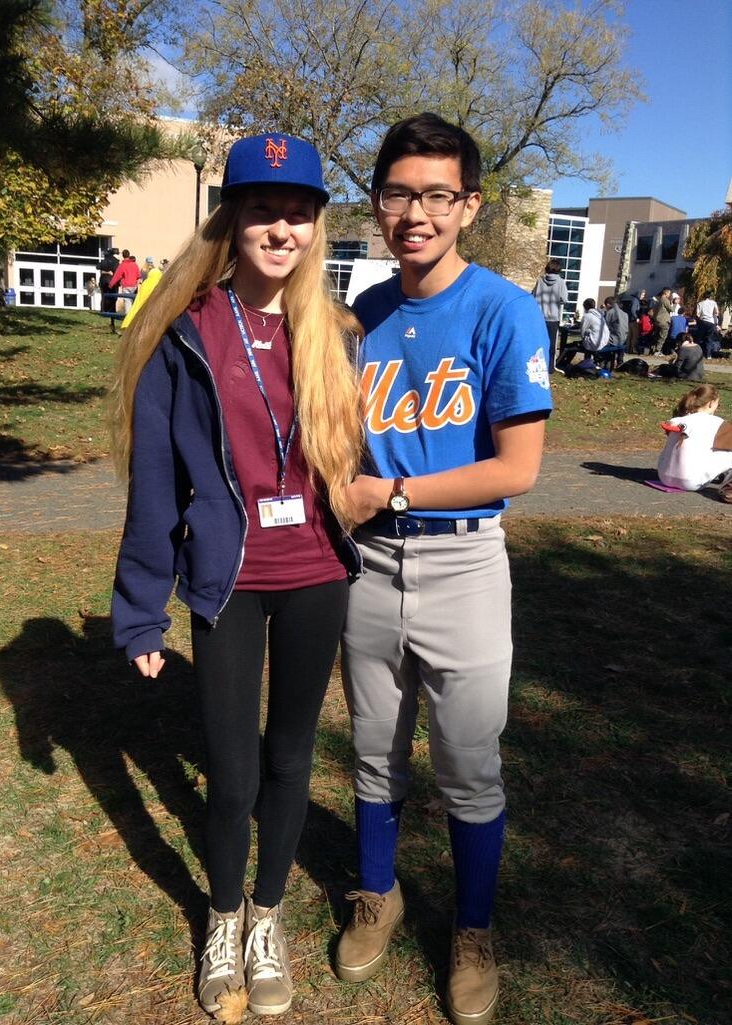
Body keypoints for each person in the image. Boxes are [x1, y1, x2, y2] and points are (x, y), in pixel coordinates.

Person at [110, 132, 364, 1022]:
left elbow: (370, 458)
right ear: (234, 216)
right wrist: (142, 609)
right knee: (231, 768)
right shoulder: (185, 333)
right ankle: (222, 916)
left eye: (299, 211)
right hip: (227, 578)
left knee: (291, 755)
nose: (281, 227)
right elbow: (153, 484)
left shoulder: (340, 334)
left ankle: (267, 916)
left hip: (318, 574)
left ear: (316, 225)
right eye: (264, 208)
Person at [334, 113, 552, 1025]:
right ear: (378, 202)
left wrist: (386, 491)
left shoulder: (504, 308)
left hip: (463, 561)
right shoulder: (364, 313)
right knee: (373, 753)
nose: (414, 213)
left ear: (468, 204)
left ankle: (471, 929)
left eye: (436, 195)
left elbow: (518, 468)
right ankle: (379, 893)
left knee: (470, 765)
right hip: (371, 569)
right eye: (398, 193)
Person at [657, 384, 732, 498]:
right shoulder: (718, 423)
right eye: (718, 404)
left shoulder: (676, 420)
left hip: (664, 477)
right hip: (691, 482)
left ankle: (724, 475)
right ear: (711, 403)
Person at [531, 258, 568, 372]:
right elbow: (564, 299)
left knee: (538, 341)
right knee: (551, 343)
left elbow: (533, 295)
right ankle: (550, 367)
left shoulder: (540, 281)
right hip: (553, 317)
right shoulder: (561, 282)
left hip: (539, 316)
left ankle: (536, 365)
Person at [557, 297, 611, 369]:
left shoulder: (587, 316)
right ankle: (581, 363)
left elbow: (582, 332)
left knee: (570, 347)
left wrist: (583, 331)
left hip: (594, 343)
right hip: (603, 341)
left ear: (585, 307)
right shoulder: (599, 315)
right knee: (576, 344)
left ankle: (562, 364)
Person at [121, 257, 162, 330]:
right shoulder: (156, 271)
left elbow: (141, 279)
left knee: (137, 306)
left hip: (145, 288)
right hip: (153, 289)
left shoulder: (144, 270)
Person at [695, 291, 720, 356]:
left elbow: (698, 314)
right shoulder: (713, 303)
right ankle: (708, 355)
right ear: (710, 296)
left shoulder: (700, 303)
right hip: (711, 323)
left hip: (702, 322)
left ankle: (697, 353)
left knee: (699, 338)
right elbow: (717, 312)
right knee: (709, 339)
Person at [603, 295, 628, 359]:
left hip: (614, 340)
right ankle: (619, 361)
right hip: (624, 340)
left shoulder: (610, 312)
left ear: (608, 305)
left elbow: (605, 327)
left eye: (606, 306)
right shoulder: (625, 314)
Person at [97, 247, 120, 313]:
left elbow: (98, 267)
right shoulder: (115, 261)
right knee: (113, 296)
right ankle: (112, 310)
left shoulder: (104, 261)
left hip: (103, 279)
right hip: (112, 280)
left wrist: (104, 271)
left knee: (103, 295)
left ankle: (103, 310)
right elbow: (116, 271)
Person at [650, 287, 672, 355]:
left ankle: (653, 349)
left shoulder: (658, 300)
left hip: (657, 321)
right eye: (669, 293)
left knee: (656, 336)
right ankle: (657, 351)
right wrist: (674, 304)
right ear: (666, 292)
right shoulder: (665, 300)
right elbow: (671, 309)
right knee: (662, 337)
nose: (670, 295)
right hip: (664, 321)